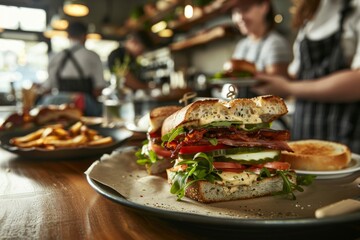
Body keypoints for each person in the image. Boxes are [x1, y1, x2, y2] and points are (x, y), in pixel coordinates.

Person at [252, 0, 360, 153]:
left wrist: (287, 87)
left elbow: (357, 83)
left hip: (343, 132)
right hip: (304, 130)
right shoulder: (312, 14)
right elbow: (298, 77)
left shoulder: (355, 8)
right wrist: (268, 80)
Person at [40, 21, 106, 116]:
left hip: (58, 105)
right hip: (84, 106)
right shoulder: (92, 56)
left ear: (68, 35)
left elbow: (48, 88)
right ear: (85, 36)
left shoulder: (56, 56)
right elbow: (98, 89)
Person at [230, 0, 292, 98]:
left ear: (264, 6)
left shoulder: (275, 43)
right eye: (236, 12)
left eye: (246, 9)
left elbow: (278, 92)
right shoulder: (241, 45)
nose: (240, 17)